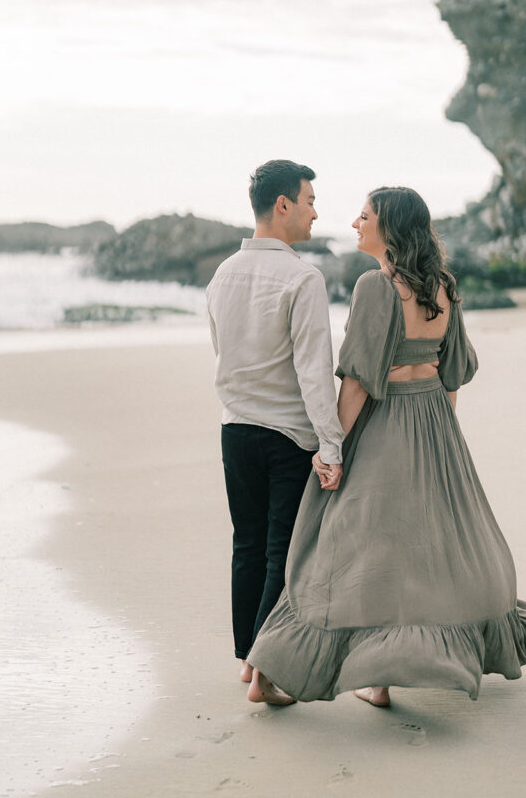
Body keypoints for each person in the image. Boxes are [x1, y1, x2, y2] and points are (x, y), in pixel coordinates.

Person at [247, 186, 526, 706]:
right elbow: (453, 374)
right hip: (435, 422)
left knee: (342, 544)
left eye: (364, 216)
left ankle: (276, 670)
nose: (354, 223)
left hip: (385, 421)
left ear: (388, 226)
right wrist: (441, 440)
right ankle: (377, 678)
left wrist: (333, 447)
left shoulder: (377, 287)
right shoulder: (442, 287)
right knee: (419, 548)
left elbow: (359, 381)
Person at [206, 159, 345, 706]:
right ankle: (265, 673)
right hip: (288, 435)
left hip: (235, 429)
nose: (316, 212)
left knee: (246, 544)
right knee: (279, 554)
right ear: (283, 204)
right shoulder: (303, 279)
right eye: (310, 200)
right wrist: (331, 444)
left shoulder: (222, 274)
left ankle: (249, 661)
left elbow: (223, 350)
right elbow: (315, 372)